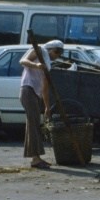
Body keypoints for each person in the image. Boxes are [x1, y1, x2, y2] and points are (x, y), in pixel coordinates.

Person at [19, 40, 65, 169]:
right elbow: (23, 61)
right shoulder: (39, 50)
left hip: (35, 93)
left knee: (33, 124)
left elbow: (45, 86)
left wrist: (46, 106)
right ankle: (35, 158)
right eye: (56, 52)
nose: (57, 55)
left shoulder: (48, 62)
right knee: (33, 125)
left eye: (59, 54)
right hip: (28, 89)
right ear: (51, 49)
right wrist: (37, 65)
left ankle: (35, 157)